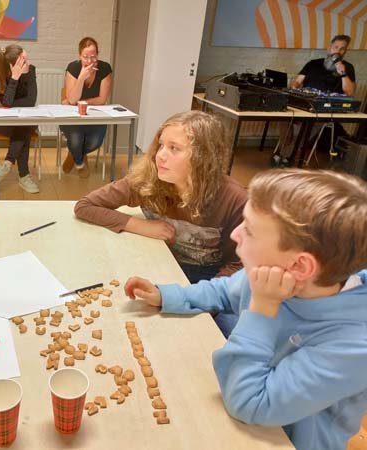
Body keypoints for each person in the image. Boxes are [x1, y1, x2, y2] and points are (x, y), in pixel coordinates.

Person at [124, 169, 367, 450]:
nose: (236, 234)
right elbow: (223, 291)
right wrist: (167, 295)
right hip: (240, 409)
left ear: (299, 267)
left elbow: (251, 403)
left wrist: (263, 309)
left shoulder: (353, 347)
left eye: (249, 229)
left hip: (285, 439)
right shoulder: (271, 273)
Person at [74, 110, 246, 283]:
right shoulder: (148, 180)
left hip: (204, 280)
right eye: (160, 145)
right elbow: (85, 206)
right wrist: (141, 226)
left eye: (174, 148)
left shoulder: (235, 200)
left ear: (204, 157)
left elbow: (239, 266)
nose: (160, 156)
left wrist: (197, 299)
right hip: (155, 260)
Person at [278, 35, 356, 162]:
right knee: (283, 115)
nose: (338, 51)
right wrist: (295, 89)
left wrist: (342, 73)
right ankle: (286, 153)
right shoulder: (313, 64)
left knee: (313, 122)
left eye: (342, 49)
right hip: (305, 102)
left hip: (324, 109)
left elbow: (349, 92)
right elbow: (296, 82)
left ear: (345, 52)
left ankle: (284, 156)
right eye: (336, 47)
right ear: (329, 48)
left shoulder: (348, 68)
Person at [0, 44, 40, 194]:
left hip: (25, 121)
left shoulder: (31, 71)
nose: (28, 63)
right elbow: (6, 102)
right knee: (22, 130)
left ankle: (8, 163)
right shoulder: (0, 74)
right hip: (5, 123)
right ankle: (24, 177)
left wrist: (5, 103)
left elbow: (30, 100)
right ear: (12, 66)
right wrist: (14, 79)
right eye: (23, 61)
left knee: (23, 127)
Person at [60, 36, 113, 178]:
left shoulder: (105, 68)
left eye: (93, 57)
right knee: (76, 138)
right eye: (85, 57)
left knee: (95, 142)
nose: (89, 61)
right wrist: (82, 78)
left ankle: (74, 153)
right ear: (79, 56)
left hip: (95, 115)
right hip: (72, 117)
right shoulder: (73, 68)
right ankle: (79, 162)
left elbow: (102, 99)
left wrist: (80, 102)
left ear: (97, 55)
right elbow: (71, 98)